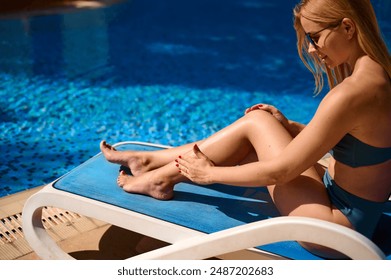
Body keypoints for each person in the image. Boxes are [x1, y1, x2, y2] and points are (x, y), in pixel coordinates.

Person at [100, 0, 391, 258]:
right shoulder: (379, 75)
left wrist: (208, 174)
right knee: (258, 128)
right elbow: (355, 143)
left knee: (255, 124)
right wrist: (289, 127)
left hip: (334, 229)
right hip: (350, 211)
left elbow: (282, 172)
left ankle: (159, 177)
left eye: (314, 38)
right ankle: (152, 164)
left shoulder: (351, 93)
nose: (313, 51)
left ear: (348, 28)